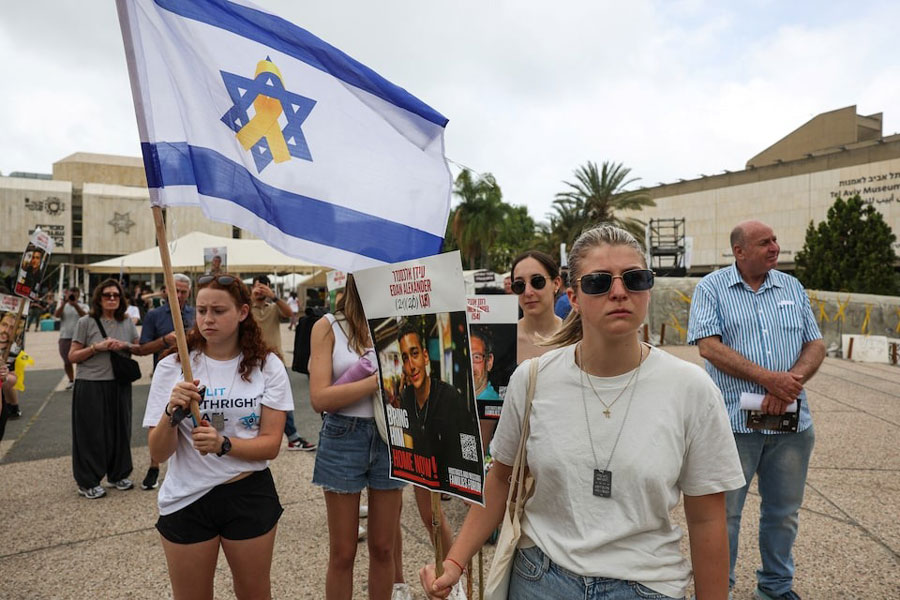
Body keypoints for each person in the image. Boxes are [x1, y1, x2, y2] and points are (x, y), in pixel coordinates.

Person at [420, 224, 746, 600]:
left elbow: (706, 518)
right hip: (540, 578)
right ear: (573, 297)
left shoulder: (692, 388)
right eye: (599, 283)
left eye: (635, 279)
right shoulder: (534, 379)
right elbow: (500, 479)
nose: (619, 292)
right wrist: (455, 562)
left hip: (644, 585)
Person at [687, 220, 825, 600]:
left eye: (776, 240)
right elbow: (708, 346)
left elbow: (815, 345)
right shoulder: (711, 288)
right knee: (724, 515)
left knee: (783, 513)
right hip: (732, 424)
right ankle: (720, 589)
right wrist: (770, 380)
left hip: (791, 425)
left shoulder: (791, 287)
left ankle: (776, 589)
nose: (775, 247)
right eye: (765, 242)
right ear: (739, 251)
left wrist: (790, 381)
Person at [143, 273, 291, 600]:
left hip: (247, 492)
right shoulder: (173, 366)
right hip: (186, 497)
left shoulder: (267, 366)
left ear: (241, 312)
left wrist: (224, 445)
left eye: (219, 311)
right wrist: (171, 412)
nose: (207, 319)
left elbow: (271, 444)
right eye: (201, 310)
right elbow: (159, 452)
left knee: (254, 593)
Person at [308, 273, 407, 600]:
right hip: (342, 437)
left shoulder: (400, 322)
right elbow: (319, 399)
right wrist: (375, 382)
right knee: (343, 552)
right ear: (353, 278)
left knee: (383, 547)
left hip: (390, 434)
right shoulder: (327, 326)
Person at [68, 279, 140, 499]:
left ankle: (118, 474)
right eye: (107, 295)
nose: (111, 299)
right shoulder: (86, 322)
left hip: (118, 383)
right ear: (98, 298)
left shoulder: (126, 322)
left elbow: (138, 347)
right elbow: (72, 356)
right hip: (91, 383)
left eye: (116, 295)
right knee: (91, 433)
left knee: (121, 429)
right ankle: (87, 481)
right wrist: (95, 347)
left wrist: (125, 345)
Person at [130, 273, 196, 490]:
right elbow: (141, 348)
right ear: (165, 291)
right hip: (165, 374)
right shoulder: (154, 315)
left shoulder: (195, 313)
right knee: (159, 418)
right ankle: (154, 465)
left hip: (192, 373)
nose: (178, 295)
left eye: (183, 292)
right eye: (174, 290)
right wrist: (164, 341)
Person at [252, 275, 316, 451]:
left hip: (275, 362)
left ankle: (293, 437)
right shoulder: (245, 309)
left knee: (282, 401)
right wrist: (250, 298)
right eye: (258, 287)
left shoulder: (273, 308)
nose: (261, 290)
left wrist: (273, 297)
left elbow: (290, 314)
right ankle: (256, 437)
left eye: (264, 287)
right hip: (251, 362)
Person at [510, 250, 564, 362]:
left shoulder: (576, 339)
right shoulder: (504, 341)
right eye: (519, 285)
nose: (528, 292)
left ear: (556, 283)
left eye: (537, 281)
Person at [55, 287, 89, 391]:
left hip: (80, 337)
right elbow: (56, 315)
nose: (73, 295)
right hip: (65, 336)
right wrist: (64, 303)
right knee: (67, 361)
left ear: (79, 295)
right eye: (71, 293)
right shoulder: (63, 305)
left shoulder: (84, 305)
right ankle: (71, 380)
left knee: (83, 360)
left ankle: (82, 380)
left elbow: (85, 316)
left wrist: (75, 305)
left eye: (75, 293)